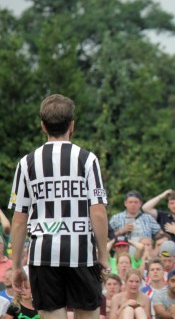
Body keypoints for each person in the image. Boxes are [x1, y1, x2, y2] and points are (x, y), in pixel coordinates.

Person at [8, 94, 108, 319]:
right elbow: (98, 211)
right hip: (80, 252)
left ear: (43, 126)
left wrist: (16, 265)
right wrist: (103, 255)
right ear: (72, 125)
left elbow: (19, 217)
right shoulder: (87, 159)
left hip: (43, 254)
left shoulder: (26, 163)